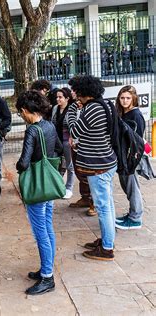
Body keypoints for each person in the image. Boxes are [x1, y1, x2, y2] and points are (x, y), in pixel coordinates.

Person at [16, 90, 62, 295]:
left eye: (21, 113)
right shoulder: (50, 125)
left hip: (37, 188)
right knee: (48, 226)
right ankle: (47, 269)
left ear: (26, 110)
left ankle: (47, 277)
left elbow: (24, 162)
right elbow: (59, 148)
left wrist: (18, 168)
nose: (22, 116)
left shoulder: (33, 130)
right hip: (49, 185)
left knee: (40, 231)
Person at [69, 75, 118, 261]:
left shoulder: (92, 109)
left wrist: (74, 111)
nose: (75, 96)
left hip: (98, 166)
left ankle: (107, 249)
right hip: (107, 162)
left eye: (77, 92)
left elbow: (74, 131)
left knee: (103, 207)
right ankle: (108, 240)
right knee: (108, 204)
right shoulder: (104, 104)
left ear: (84, 92)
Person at [114, 85, 145, 230]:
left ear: (134, 98)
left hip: (130, 157)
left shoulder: (135, 115)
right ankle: (132, 213)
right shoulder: (122, 113)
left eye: (128, 98)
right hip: (122, 157)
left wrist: (131, 160)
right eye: (122, 98)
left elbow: (137, 140)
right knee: (127, 187)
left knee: (133, 188)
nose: (125, 101)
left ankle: (135, 218)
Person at [66, 91, 96, 216]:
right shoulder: (74, 105)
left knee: (90, 176)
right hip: (75, 144)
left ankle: (94, 203)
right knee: (79, 172)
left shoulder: (91, 107)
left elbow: (77, 128)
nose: (73, 93)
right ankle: (85, 198)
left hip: (88, 146)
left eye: (76, 91)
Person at [51, 88, 75, 200]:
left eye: (60, 97)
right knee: (56, 163)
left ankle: (69, 187)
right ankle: (58, 186)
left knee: (70, 165)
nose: (58, 99)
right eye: (57, 97)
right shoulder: (55, 108)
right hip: (57, 141)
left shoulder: (71, 110)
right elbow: (52, 123)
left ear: (67, 98)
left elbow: (74, 127)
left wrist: (73, 139)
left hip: (67, 142)